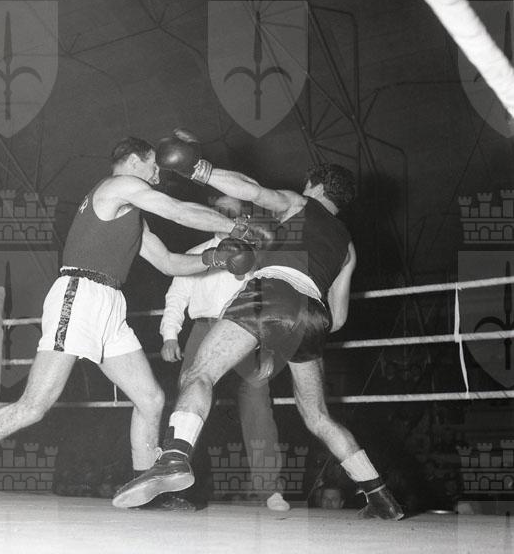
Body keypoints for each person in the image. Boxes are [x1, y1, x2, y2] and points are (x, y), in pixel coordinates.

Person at [0, 136, 265, 505]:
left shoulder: (131, 213)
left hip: (110, 304)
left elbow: (168, 263)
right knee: (34, 405)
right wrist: (236, 228)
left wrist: (214, 258)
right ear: (135, 160)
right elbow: (178, 211)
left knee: (150, 399)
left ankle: (145, 488)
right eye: (153, 165)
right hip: (79, 296)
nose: (158, 173)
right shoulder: (118, 186)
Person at [112, 130, 404, 520]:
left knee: (200, 373)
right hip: (313, 317)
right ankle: (380, 495)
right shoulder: (348, 248)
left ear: (315, 186)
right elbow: (338, 320)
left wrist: (199, 170)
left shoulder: (300, 203)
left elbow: (252, 190)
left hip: (272, 293)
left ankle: (174, 459)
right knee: (317, 415)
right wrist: (291, 327)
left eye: (307, 185)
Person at [160, 195, 289, 511]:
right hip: (202, 330)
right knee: (188, 406)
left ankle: (270, 489)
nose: (226, 216)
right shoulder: (196, 254)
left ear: (244, 217)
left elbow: (269, 301)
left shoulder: (258, 256)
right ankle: (174, 486)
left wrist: (269, 346)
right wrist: (169, 335)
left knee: (258, 407)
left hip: (246, 333)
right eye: (219, 211)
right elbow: (176, 297)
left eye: (232, 211)